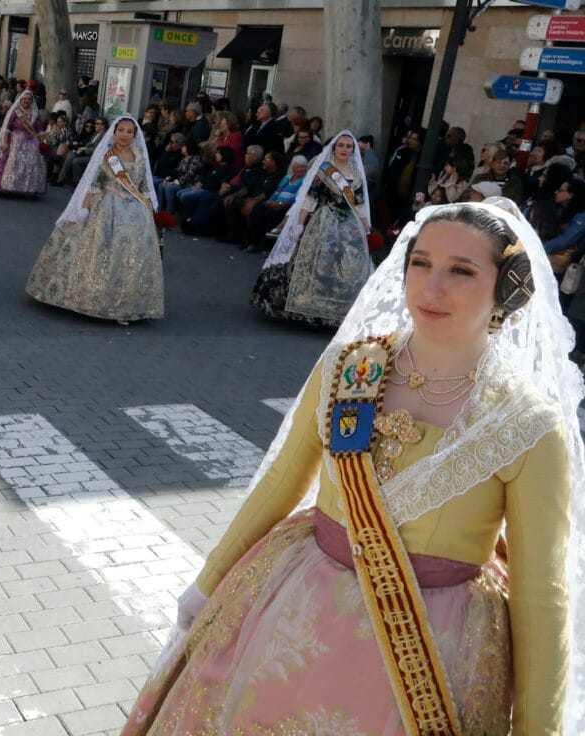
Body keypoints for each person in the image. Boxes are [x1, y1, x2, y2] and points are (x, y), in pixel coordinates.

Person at [125, 199, 582, 736]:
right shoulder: (351, 367)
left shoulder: (526, 423)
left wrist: (538, 729)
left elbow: (540, 593)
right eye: (421, 263)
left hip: (435, 643)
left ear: (506, 288)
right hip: (295, 607)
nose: (432, 287)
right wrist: (208, 581)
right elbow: (281, 482)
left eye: (461, 271)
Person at [26, 115, 163, 323]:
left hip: (135, 213)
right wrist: (84, 209)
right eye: (121, 130)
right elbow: (94, 183)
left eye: (129, 131)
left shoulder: (140, 155)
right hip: (107, 206)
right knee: (101, 251)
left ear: (135, 135)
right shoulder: (107, 155)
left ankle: (127, 305)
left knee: (131, 256)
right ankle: (94, 299)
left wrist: (150, 206)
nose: (124, 135)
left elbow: (143, 186)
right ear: (114, 132)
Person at [251, 131, 372, 325]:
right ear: (334, 147)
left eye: (349, 146)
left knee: (345, 265)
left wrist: (365, 227)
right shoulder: (324, 170)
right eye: (341, 145)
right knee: (310, 261)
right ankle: (302, 305)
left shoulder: (356, 173)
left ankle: (335, 311)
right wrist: (299, 224)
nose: (344, 149)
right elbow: (309, 200)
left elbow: (358, 204)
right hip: (322, 221)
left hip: (348, 224)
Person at [0, 89, 46, 196]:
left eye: (28, 99)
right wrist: (4, 142)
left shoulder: (36, 114)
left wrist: (43, 139)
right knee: (13, 163)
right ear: (20, 100)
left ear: (32, 101)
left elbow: (39, 129)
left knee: (31, 164)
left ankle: (27, 188)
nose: (26, 101)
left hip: (31, 142)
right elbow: (6, 128)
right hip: (16, 141)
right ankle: (10, 186)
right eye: (24, 99)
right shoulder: (15, 112)